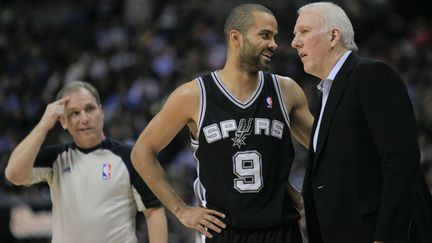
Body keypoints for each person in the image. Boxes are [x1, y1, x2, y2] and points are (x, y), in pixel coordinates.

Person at [131, 3, 314, 243]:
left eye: (274, 37)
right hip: (223, 232)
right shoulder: (194, 96)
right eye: (265, 35)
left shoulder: (286, 91)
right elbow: (141, 152)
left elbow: (323, 147)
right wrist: (181, 210)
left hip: (281, 230)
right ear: (235, 38)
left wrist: (303, 195)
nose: (274, 44)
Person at [291, 2, 432, 243]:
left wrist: (387, 236)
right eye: (295, 34)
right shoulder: (327, 93)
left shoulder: (371, 75)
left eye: (303, 31)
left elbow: (401, 159)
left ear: (333, 35)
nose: (294, 42)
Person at [5, 81, 168, 243]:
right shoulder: (56, 158)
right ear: (63, 121)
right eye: (74, 113)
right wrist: (43, 125)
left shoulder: (129, 157)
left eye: (90, 109)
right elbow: (14, 174)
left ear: (101, 112)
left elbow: (154, 212)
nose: (84, 118)